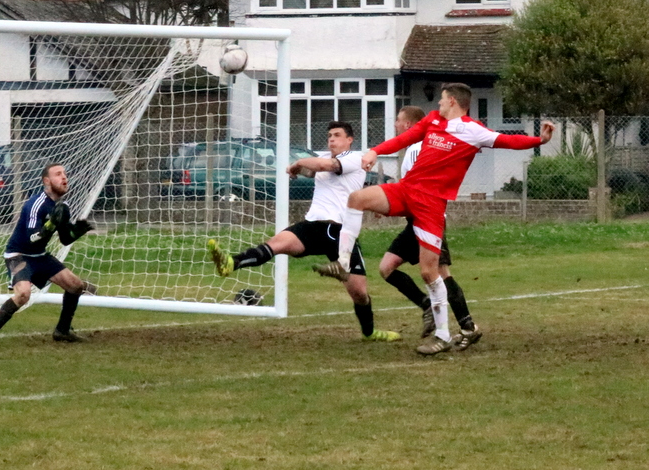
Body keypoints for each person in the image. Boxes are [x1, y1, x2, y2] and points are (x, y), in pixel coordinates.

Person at [316, 83, 554, 355]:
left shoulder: (473, 131)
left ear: (452, 101)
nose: (438, 104)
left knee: (430, 272)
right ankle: (343, 263)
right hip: (407, 191)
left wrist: (540, 141)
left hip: (431, 205)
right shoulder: (433, 120)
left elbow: (506, 140)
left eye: (442, 100)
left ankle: (443, 334)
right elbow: (404, 138)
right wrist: (375, 151)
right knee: (357, 199)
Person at [207, 121, 401, 342]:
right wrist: (297, 169)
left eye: (337, 135)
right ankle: (231, 263)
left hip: (338, 231)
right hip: (312, 225)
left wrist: (299, 161)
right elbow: (314, 170)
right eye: (329, 135)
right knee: (277, 243)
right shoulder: (328, 162)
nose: (331, 139)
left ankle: (370, 332)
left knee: (358, 292)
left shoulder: (354, 158)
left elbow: (325, 166)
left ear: (349, 140)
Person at [380, 106, 481, 350]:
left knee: (440, 274)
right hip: (414, 221)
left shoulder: (419, 148)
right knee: (387, 267)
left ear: (409, 126)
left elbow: (421, 186)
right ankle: (426, 305)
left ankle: (468, 327)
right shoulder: (415, 148)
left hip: (428, 220)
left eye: (398, 121)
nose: (395, 125)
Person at [0, 163, 96, 345]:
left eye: (65, 174)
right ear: (46, 181)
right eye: (58, 174)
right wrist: (50, 225)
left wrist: (76, 232)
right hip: (18, 255)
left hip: (39, 256)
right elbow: (32, 238)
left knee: (75, 286)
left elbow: (64, 240)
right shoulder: (35, 205)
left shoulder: (62, 207)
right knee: (23, 294)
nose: (64, 178)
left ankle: (62, 331)